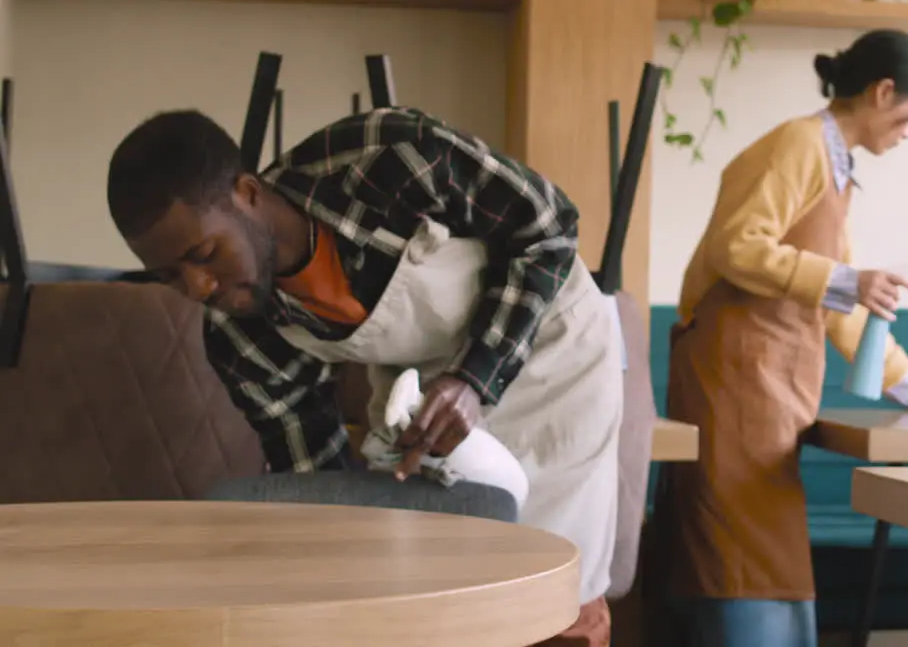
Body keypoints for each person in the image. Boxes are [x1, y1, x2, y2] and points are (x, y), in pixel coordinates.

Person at [105, 107, 622, 646]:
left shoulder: (383, 162)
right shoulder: (239, 339)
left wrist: (474, 379)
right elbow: (320, 492)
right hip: (418, 392)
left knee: (560, 591)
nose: (198, 287)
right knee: (441, 597)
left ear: (248, 194)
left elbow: (548, 224)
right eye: (170, 276)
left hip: (552, 354)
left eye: (205, 254)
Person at [647, 29, 908, 646]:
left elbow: (836, 305)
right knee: (742, 551)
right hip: (734, 379)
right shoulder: (799, 145)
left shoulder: (836, 168)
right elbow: (739, 247)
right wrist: (846, 279)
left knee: (753, 552)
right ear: (883, 91)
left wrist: (907, 381)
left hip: (767, 386)